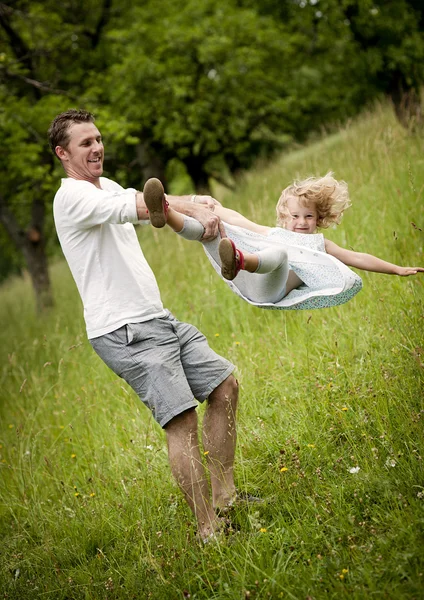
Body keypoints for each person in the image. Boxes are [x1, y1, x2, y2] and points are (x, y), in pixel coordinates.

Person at [48, 108, 255, 543]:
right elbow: (142, 204)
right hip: (124, 330)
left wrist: (200, 210)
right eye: (86, 143)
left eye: (99, 139)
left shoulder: (106, 187)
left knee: (225, 387)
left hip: (155, 318)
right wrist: (195, 202)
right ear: (63, 153)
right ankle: (208, 531)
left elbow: (154, 208)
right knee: (181, 421)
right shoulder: (72, 197)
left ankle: (227, 498)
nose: (97, 147)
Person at [143, 174, 423, 311]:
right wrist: (213, 208)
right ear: (284, 217)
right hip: (245, 280)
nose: (302, 222)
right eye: (296, 216)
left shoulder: (319, 246)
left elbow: (358, 257)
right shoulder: (271, 232)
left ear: (318, 219)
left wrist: (397, 269)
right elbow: (236, 219)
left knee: (278, 253)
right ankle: (165, 213)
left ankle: (239, 260)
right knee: (210, 228)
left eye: (309, 216)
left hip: (268, 289)